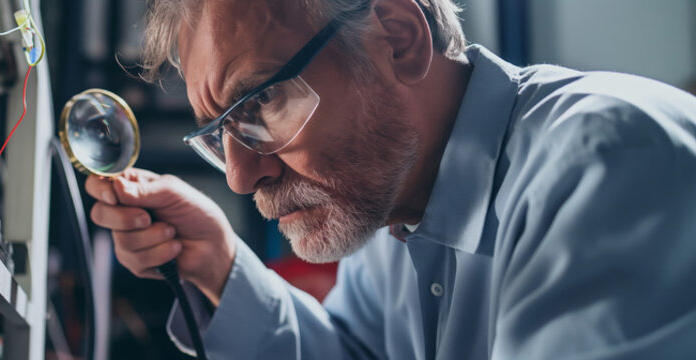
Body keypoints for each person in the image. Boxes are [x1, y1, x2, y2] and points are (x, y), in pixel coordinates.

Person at [85, 0, 696, 358]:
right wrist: (219, 265)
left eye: (263, 101)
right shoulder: (390, 197)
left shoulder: (608, 166)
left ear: (398, 40)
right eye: (220, 133)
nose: (242, 178)